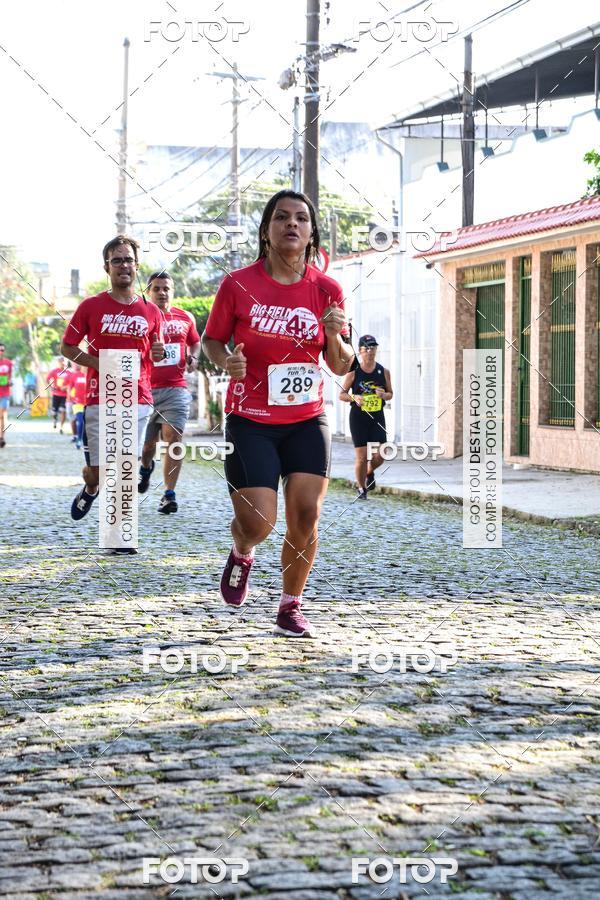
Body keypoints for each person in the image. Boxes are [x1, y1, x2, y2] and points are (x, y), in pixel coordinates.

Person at [202, 189, 354, 637]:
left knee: (306, 513)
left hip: (307, 418)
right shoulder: (238, 284)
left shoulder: (327, 289)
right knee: (259, 521)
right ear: (266, 232)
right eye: (282, 217)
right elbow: (212, 340)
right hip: (251, 419)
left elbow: (342, 364)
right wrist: (225, 360)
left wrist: (333, 335)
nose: (292, 224)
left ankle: (291, 603)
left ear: (311, 234)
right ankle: (242, 549)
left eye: (301, 219)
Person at [61, 235, 165, 552]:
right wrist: (100, 363)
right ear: (107, 267)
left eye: (128, 259)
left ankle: (120, 535)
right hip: (98, 396)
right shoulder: (90, 307)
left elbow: (155, 353)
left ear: (136, 266)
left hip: (138, 397)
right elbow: (66, 347)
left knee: (125, 464)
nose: (123, 265)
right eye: (117, 260)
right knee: (98, 471)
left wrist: (158, 352)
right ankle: (90, 488)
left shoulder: (151, 311)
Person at [138, 271, 201, 514]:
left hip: (176, 388)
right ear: (148, 292)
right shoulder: (140, 317)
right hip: (144, 389)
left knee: (174, 439)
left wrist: (194, 356)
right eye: (157, 288)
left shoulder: (185, 317)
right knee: (147, 446)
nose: (162, 292)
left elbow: (195, 341)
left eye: (166, 288)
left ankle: (168, 494)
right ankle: (145, 468)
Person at [339, 334, 393, 500]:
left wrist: (384, 395)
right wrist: (355, 397)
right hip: (358, 418)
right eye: (367, 348)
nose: (370, 351)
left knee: (381, 454)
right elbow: (342, 394)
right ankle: (361, 488)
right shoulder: (354, 373)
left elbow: (391, 394)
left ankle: (369, 473)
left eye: (373, 347)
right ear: (360, 351)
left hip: (377, 416)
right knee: (362, 457)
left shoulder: (383, 371)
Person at [47, 357, 70, 433]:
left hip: (64, 395)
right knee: (54, 411)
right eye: (61, 362)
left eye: (63, 362)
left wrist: (66, 387)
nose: (62, 363)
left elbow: (72, 383)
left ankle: (61, 427)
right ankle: (55, 419)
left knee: (63, 410)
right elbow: (47, 379)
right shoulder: (54, 371)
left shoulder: (68, 373)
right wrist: (51, 387)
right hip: (56, 394)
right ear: (58, 363)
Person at [68, 363, 87, 450]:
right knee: (80, 421)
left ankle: (86, 441)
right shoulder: (74, 375)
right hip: (78, 403)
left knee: (87, 423)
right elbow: (70, 388)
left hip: (88, 403)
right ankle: (79, 440)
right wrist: (71, 398)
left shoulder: (88, 376)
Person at [0, 344, 13, 449]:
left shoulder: (8, 363)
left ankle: (2, 437)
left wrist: (9, 381)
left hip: (5, 393)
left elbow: (10, 377)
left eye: (2, 350)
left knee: (3, 415)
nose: (1, 352)